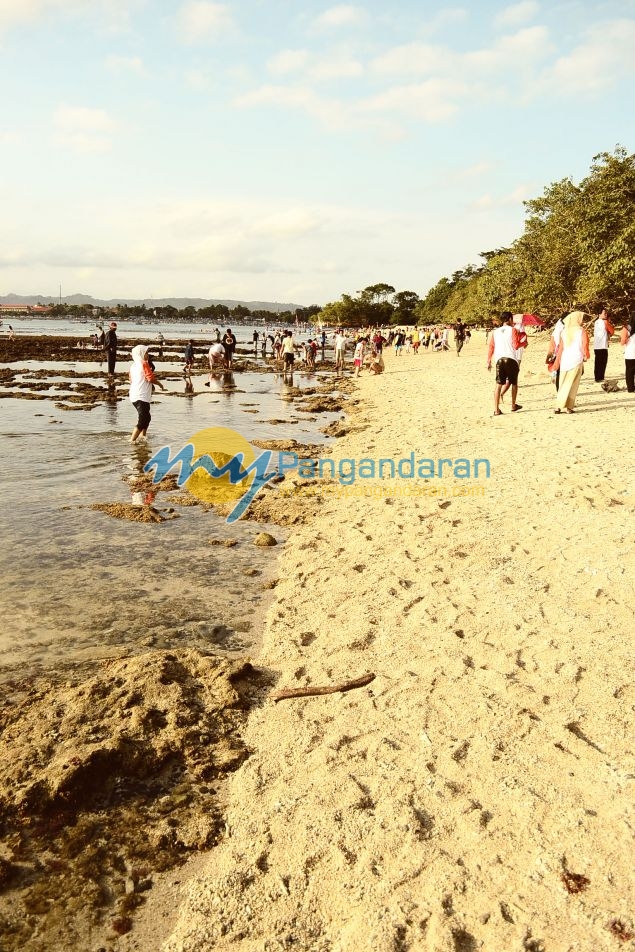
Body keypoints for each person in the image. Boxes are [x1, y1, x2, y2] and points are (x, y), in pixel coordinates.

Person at [551, 311, 589, 413]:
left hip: (565, 360)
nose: (582, 320)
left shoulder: (564, 331)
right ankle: (569, 408)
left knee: (563, 383)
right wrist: (586, 356)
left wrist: (556, 363)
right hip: (576, 360)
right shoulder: (581, 331)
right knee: (573, 384)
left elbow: (561, 349)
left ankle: (558, 407)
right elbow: (585, 345)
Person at [487, 311, 523, 416]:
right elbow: (516, 346)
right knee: (514, 382)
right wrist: (524, 343)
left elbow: (491, 347)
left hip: (499, 360)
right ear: (510, 319)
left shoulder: (495, 332)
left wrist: (488, 361)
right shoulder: (514, 330)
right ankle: (513, 405)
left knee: (498, 385)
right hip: (511, 358)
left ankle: (496, 409)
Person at [128, 344, 165, 443]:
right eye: (146, 352)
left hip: (134, 395)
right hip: (141, 395)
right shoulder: (144, 363)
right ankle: (132, 440)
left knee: (147, 417)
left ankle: (143, 436)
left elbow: (131, 380)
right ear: (141, 354)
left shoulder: (133, 366)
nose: (147, 355)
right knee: (143, 419)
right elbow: (150, 378)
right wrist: (160, 384)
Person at [593, 307, 615, 382]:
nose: (606, 315)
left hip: (596, 345)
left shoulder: (596, 322)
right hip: (602, 345)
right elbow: (612, 331)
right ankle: (601, 377)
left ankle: (597, 377)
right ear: (599, 314)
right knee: (603, 362)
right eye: (604, 313)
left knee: (597, 362)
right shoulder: (605, 322)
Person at [620, 316, 635, 393]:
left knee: (629, 372)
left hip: (630, 353)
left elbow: (622, 342)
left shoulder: (626, 329)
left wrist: (626, 340)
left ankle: (631, 388)